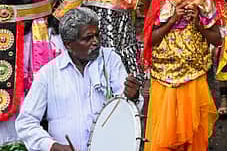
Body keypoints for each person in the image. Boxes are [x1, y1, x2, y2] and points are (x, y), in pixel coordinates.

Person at [17, 8, 141, 151]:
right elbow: (26, 122)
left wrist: (133, 96)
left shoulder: (110, 60)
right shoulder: (48, 73)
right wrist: (52, 146)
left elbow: (126, 107)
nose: (95, 42)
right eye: (87, 38)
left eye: (97, 35)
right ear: (68, 44)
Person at [142, 0, 224, 151]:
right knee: (166, 135)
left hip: (194, 81)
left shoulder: (205, 9)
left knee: (193, 133)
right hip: (165, 82)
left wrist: (198, 24)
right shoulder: (163, 9)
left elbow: (217, 40)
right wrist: (172, 20)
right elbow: (151, 40)